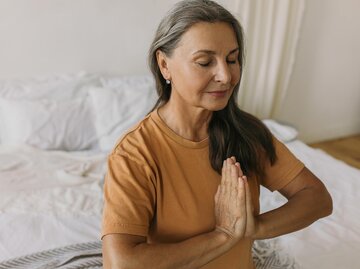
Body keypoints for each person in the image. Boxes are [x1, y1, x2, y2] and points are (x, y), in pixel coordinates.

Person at [101, 0, 333, 268]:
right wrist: (223, 236)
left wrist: (253, 228)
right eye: (204, 62)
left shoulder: (247, 132)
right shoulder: (134, 154)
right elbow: (121, 264)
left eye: (232, 59)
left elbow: (317, 198)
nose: (225, 75)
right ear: (164, 65)